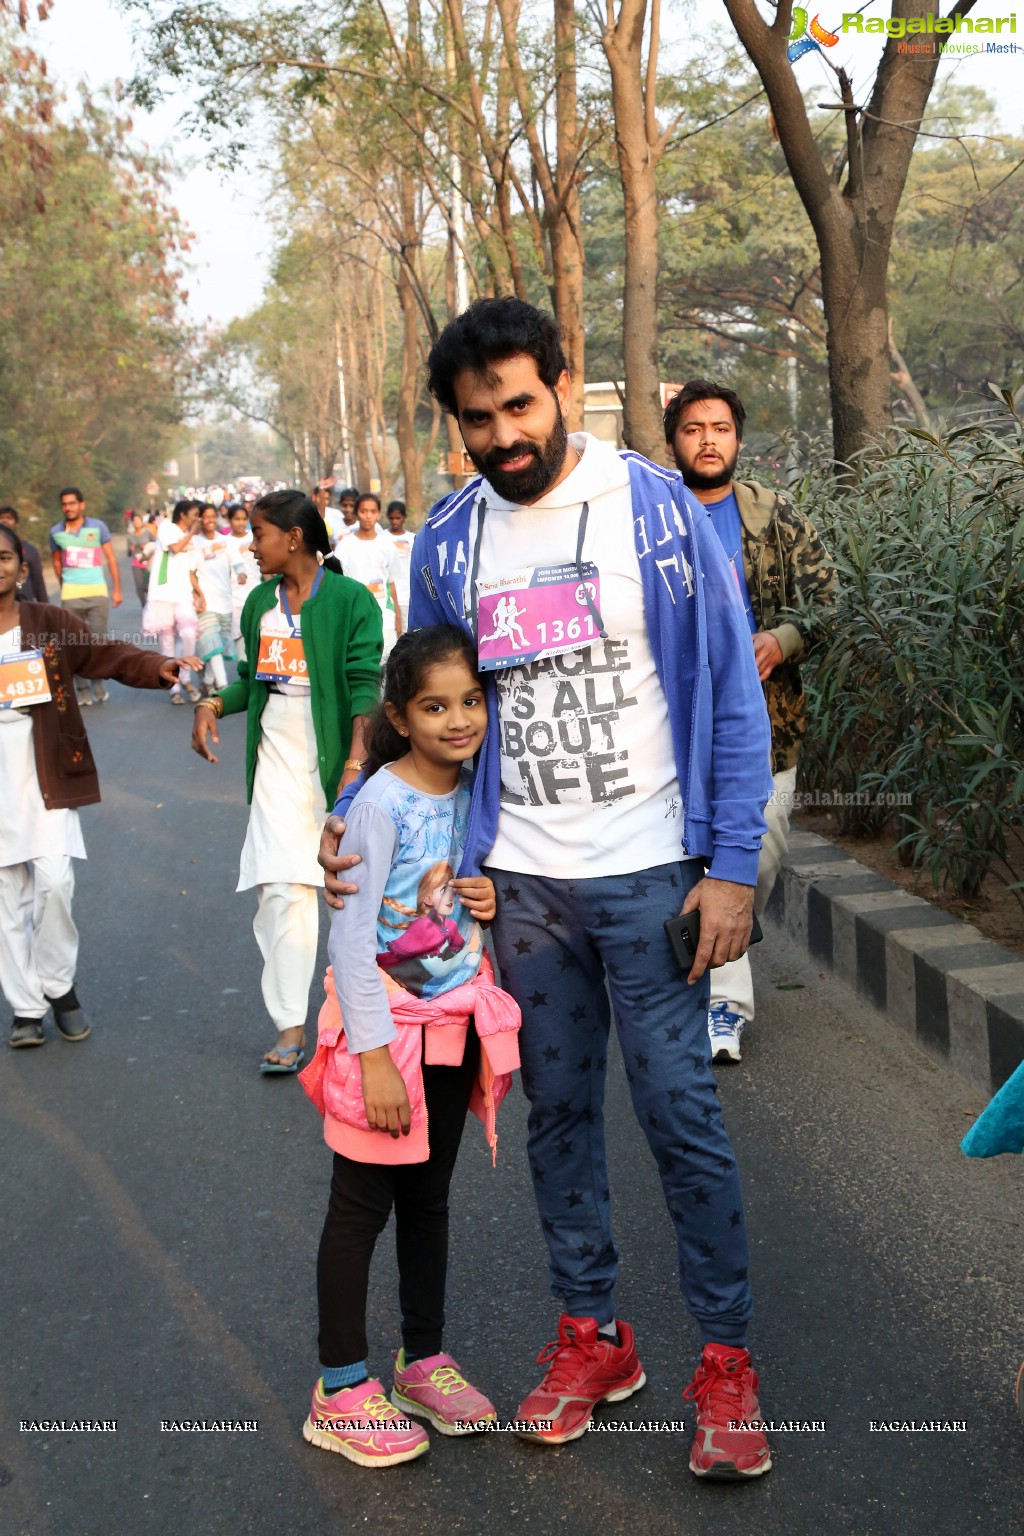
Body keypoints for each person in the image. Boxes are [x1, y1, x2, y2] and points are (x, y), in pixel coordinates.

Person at [322, 297, 775, 1480]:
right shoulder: (450, 542)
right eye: (479, 420)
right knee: (556, 1119)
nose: (504, 435)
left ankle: (725, 1363)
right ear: (456, 425)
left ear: (562, 387)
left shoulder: (659, 509)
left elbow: (731, 691)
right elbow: (420, 702)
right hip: (516, 886)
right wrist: (356, 802)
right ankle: (593, 1337)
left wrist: (731, 864)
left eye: (521, 405)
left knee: (682, 1117)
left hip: (653, 875)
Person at [299, 626, 521, 1466]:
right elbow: (351, 941)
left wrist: (487, 900)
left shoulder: (475, 789)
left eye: (471, 701)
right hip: (383, 1035)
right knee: (361, 1206)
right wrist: (375, 1054)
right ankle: (339, 1386)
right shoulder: (379, 805)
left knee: (429, 1198)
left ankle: (420, 1360)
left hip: (455, 1026)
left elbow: (457, 904)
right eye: (435, 706)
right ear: (400, 713)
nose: (459, 719)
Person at [665, 380, 837, 1064]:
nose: (708, 438)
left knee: (754, 862)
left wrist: (783, 638)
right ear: (674, 439)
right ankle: (722, 1005)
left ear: (738, 439)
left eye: (721, 427)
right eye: (693, 428)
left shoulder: (775, 515)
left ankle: (714, 974)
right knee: (693, 863)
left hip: (769, 729)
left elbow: (828, 604)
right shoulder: (653, 519)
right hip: (673, 733)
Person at [191, 490, 384, 1074]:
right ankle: (289, 1025)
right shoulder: (258, 604)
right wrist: (212, 702)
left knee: (350, 891)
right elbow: (254, 682)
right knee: (280, 888)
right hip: (274, 755)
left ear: (294, 538)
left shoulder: (351, 601)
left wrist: (354, 764)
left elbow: (363, 686)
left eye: (259, 534)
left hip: (336, 761)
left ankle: (369, 1014)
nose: (252, 546)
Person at [0, 521, 199, 1047]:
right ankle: (25, 1008)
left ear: (22, 569)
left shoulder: (47, 623)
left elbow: (104, 654)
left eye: (3, 557)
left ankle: (59, 988)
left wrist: (158, 665)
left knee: (54, 883)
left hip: (44, 771)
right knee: (6, 901)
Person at [48, 487, 122, 708]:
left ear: (82, 504)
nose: (68, 508)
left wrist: (116, 589)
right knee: (74, 644)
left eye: (72, 503)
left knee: (97, 644)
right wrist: (66, 587)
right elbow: (57, 562)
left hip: (97, 594)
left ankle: (98, 683)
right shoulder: (55, 532)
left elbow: (110, 558)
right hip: (71, 596)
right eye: (64, 504)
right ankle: (81, 688)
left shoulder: (98, 528)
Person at [143, 499, 202, 705]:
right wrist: (192, 532)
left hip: (183, 595)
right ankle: (174, 688)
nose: (198, 518)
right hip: (162, 595)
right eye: (195, 514)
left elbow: (189, 569)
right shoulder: (167, 528)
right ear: (183, 515)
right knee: (167, 642)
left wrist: (198, 592)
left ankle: (185, 678)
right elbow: (176, 548)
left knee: (188, 635)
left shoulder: (191, 539)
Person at [338, 493, 403, 660]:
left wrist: (397, 619)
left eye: (373, 511)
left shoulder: (387, 545)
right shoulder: (345, 546)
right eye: (363, 511)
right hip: (355, 619)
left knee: (386, 668)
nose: (368, 516)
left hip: (385, 619)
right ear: (356, 513)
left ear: (379, 514)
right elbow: (339, 584)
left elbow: (392, 584)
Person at [191, 502, 236, 694]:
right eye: (205, 516)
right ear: (200, 518)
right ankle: (223, 686)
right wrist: (198, 594)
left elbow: (237, 564)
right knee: (213, 645)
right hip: (206, 603)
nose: (210, 520)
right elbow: (190, 572)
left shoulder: (226, 541)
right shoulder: (194, 543)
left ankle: (208, 681)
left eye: (212, 516)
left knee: (217, 647)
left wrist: (241, 576)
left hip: (225, 601)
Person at [225, 504, 260, 661]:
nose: (240, 522)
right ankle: (243, 675)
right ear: (229, 520)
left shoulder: (254, 538)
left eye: (243, 519)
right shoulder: (225, 542)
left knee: (257, 637)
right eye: (236, 519)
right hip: (235, 597)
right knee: (239, 637)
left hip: (256, 593)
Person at [0, 508, 47, 604]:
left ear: (16, 524)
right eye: (1, 517)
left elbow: (38, 581)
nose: (4, 520)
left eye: (9, 518)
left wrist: (45, 607)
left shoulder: (30, 550)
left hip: (24, 603)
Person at [385, 500, 413, 623]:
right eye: (392, 518)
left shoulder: (412, 539)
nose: (395, 522)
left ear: (404, 517)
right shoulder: (382, 538)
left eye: (398, 518)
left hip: (408, 596)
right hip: (389, 597)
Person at [126, 510, 155, 608]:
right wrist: (131, 549)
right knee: (139, 586)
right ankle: (144, 605)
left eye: (138, 520)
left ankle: (151, 603)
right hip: (136, 562)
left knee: (147, 585)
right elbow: (128, 554)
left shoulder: (148, 533)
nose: (136, 522)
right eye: (134, 521)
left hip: (148, 562)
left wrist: (146, 547)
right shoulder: (130, 536)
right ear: (132, 523)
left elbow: (156, 545)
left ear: (142, 522)